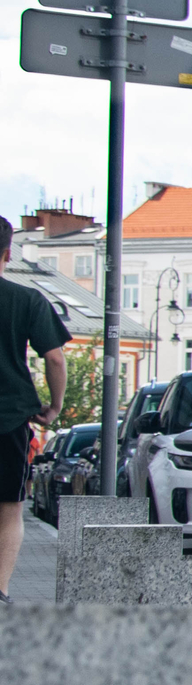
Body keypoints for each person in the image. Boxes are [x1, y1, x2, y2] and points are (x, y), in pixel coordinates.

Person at [0, 217, 72, 604]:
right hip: (9, 419)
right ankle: (1, 589)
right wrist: (54, 407)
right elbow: (56, 360)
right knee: (9, 509)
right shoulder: (27, 300)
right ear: (9, 254)